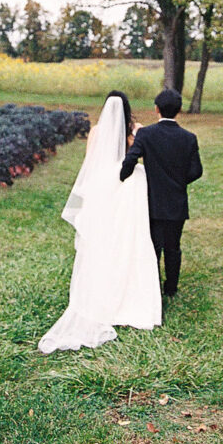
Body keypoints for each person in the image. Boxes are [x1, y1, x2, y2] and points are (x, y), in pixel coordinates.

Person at [37, 91, 161, 353]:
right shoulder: (135, 132)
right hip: (126, 186)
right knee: (126, 238)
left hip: (101, 185)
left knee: (101, 240)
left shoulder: (95, 132)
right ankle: (129, 295)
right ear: (127, 109)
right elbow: (137, 157)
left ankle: (101, 291)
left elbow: (90, 162)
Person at [119, 88, 203, 297]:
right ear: (179, 110)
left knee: (153, 246)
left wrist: (121, 176)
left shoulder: (146, 134)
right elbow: (196, 171)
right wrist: (178, 181)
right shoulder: (189, 138)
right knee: (173, 246)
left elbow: (131, 159)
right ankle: (171, 287)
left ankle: (152, 285)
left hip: (152, 200)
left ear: (156, 109)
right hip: (176, 202)